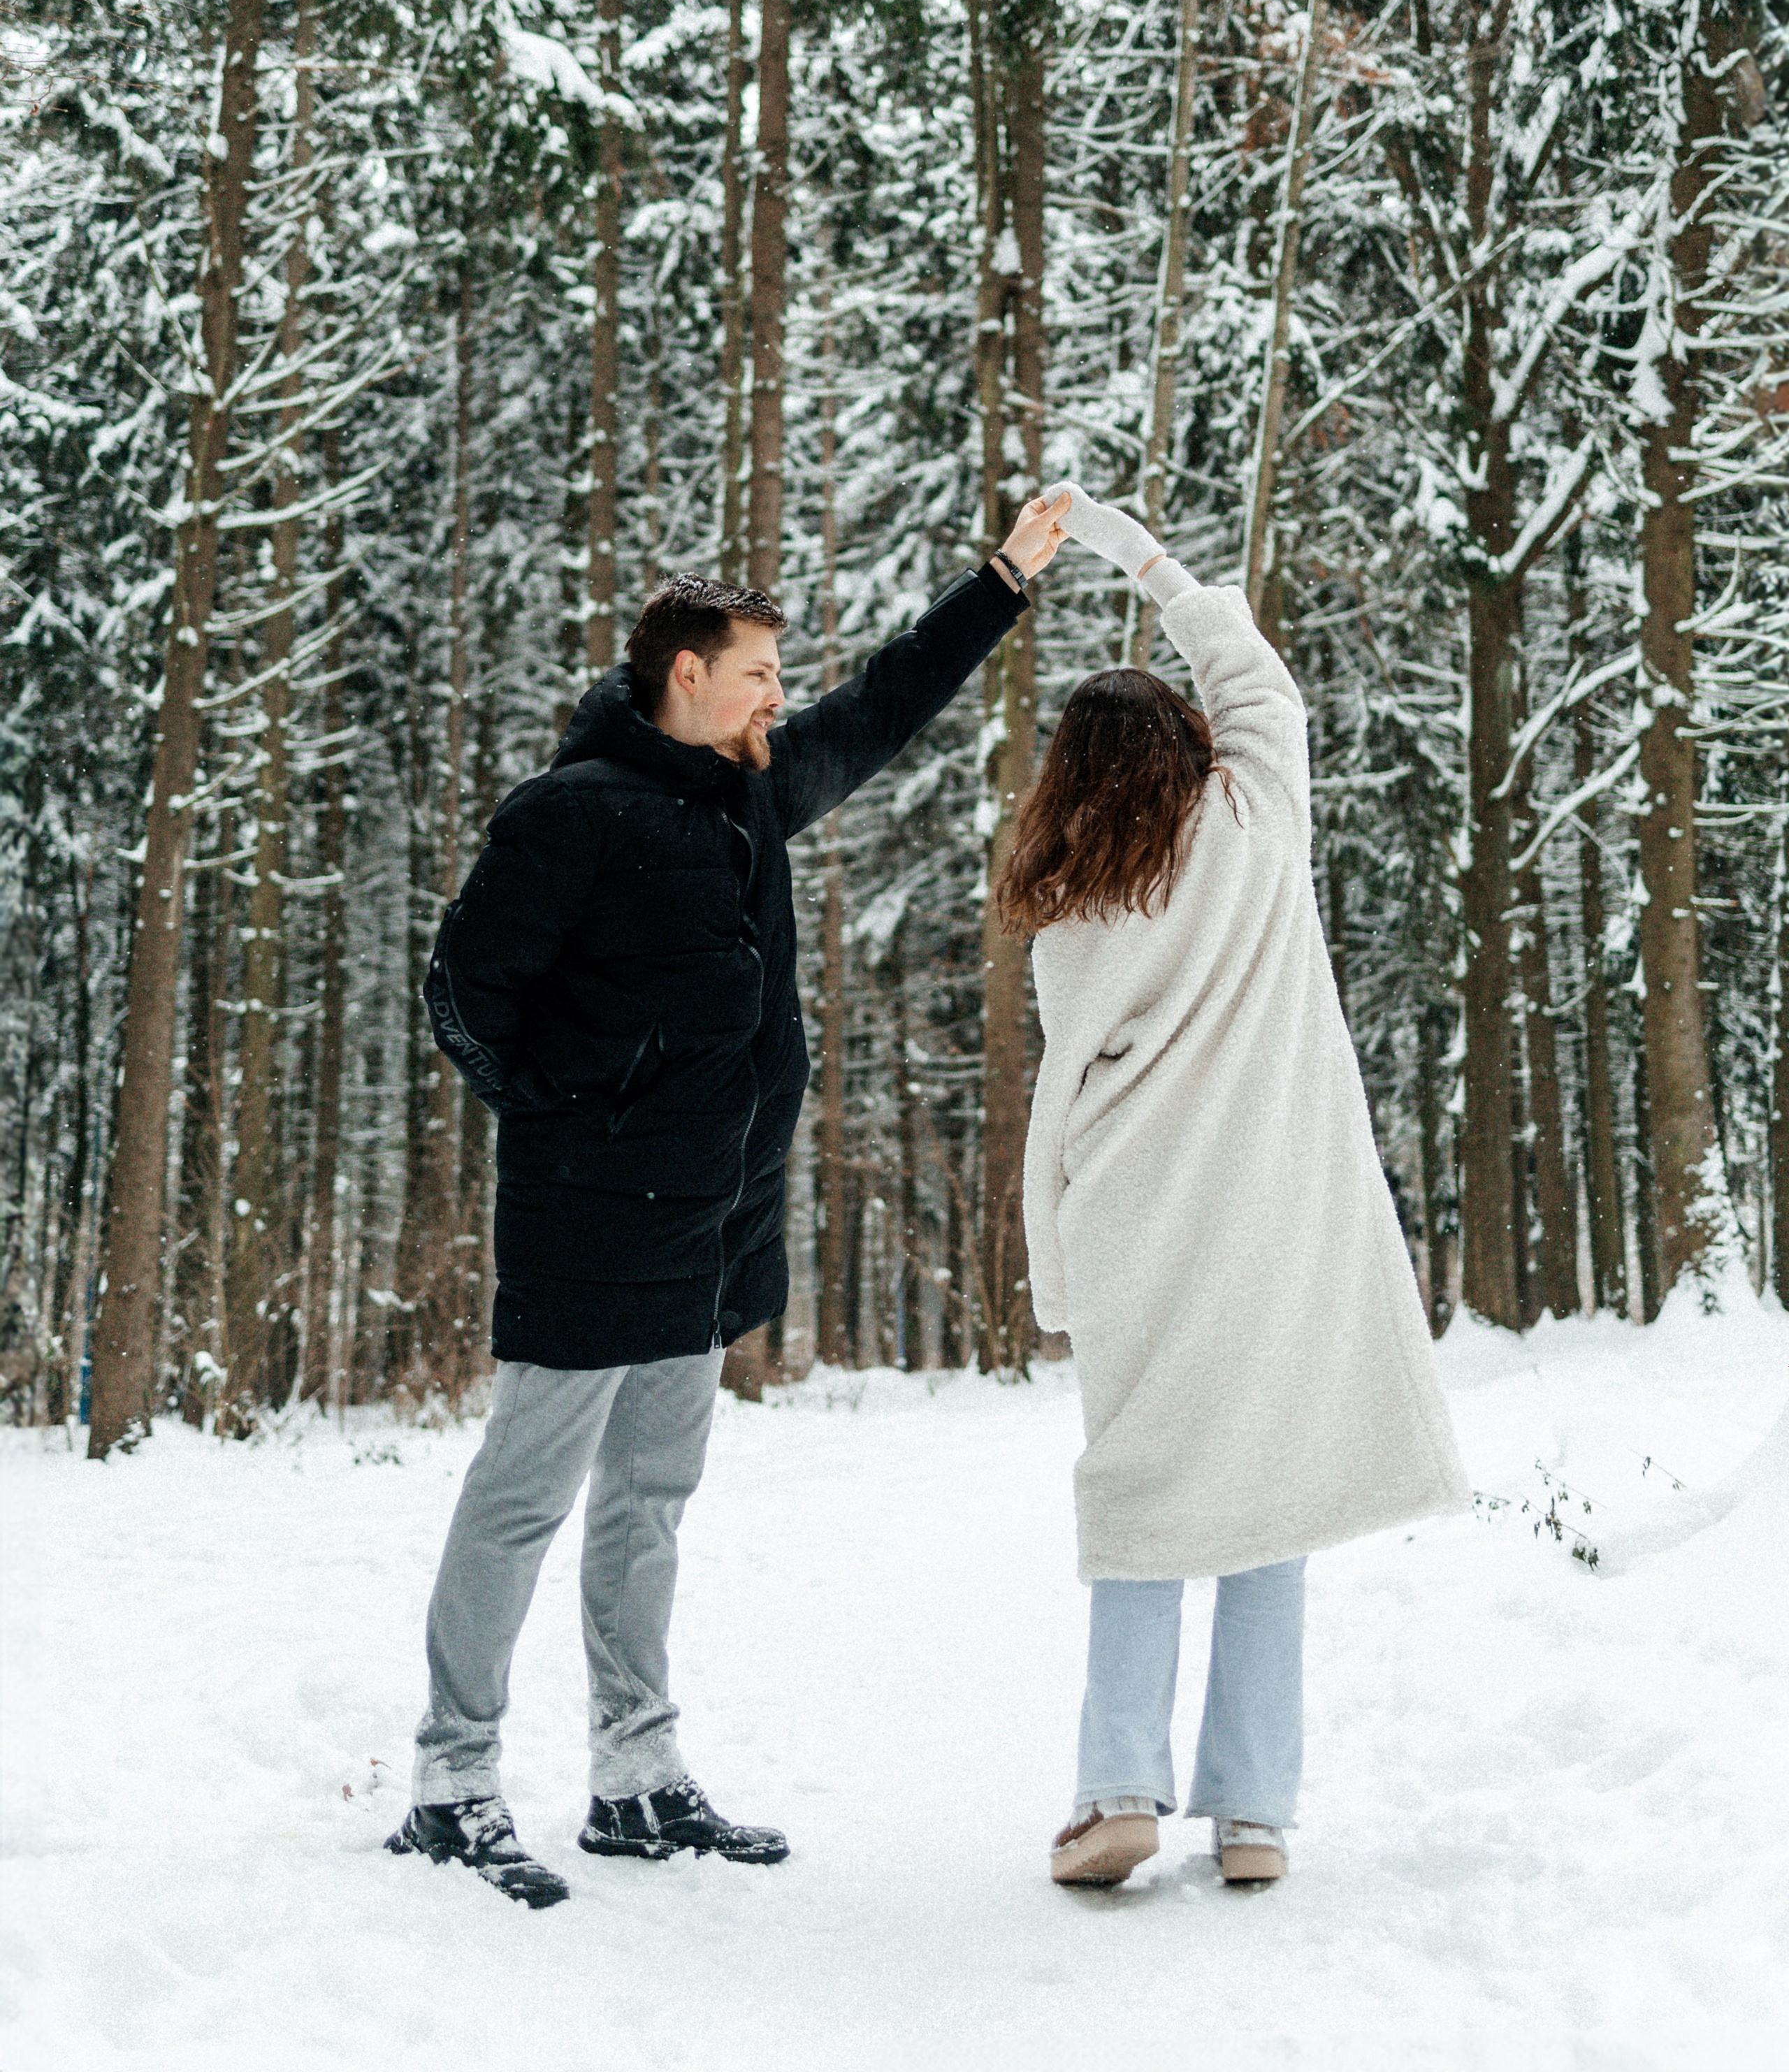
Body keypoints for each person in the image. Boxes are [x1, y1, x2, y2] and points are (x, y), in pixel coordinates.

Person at [386, 495, 1070, 1906]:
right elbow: (463, 993)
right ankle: (452, 1782)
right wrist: (574, 1113)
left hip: (711, 1223)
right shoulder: (569, 815)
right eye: (757, 671)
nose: (777, 693)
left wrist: (1002, 581)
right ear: (685, 676)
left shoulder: (750, 790)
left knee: (648, 1501)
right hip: (590, 1221)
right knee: (521, 1500)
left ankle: (635, 1776)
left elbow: (882, 706)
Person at [1012, 486, 1469, 1892]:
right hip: (1275, 1221)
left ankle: (1115, 1791)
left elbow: (1063, 1101)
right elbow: (1256, 676)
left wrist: (1055, 1270)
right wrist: (1134, 552)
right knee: (1270, 1503)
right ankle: (1254, 1814)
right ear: (1195, 747)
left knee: (1142, 1498)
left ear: (1071, 781)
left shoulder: (1072, 906)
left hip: (1136, 1226)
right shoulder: (1259, 819)